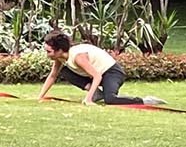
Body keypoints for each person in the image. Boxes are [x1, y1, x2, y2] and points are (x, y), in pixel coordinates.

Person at [34, 31, 163, 106]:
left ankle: (145, 100)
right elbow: (52, 76)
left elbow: (97, 76)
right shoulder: (60, 58)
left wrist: (88, 99)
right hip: (97, 75)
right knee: (64, 71)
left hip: (112, 72)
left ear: (59, 50)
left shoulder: (78, 57)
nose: (47, 54)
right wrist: (40, 96)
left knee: (110, 100)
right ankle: (97, 94)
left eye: (49, 51)